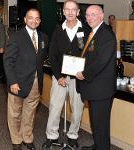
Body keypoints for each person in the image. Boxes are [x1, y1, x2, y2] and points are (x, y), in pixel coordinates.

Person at [42, 0, 90, 149]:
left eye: (73, 9)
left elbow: (90, 54)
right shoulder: (57, 30)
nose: (70, 12)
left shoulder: (86, 30)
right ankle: (51, 135)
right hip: (60, 77)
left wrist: (85, 71)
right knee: (55, 107)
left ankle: (73, 136)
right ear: (63, 12)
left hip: (79, 77)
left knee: (77, 109)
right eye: (67, 9)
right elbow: (53, 55)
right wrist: (58, 76)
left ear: (78, 12)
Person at [3, 8, 48, 150]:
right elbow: (8, 60)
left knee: (30, 113)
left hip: (36, 83)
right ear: (25, 19)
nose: (33, 20)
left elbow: (41, 59)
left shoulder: (44, 38)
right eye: (30, 17)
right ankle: (16, 140)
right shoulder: (16, 36)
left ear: (39, 21)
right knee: (15, 113)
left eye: (37, 18)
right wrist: (12, 81)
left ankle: (27, 138)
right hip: (18, 82)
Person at [76, 5, 116, 150]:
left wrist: (84, 74)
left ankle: (102, 147)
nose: (90, 18)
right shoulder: (93, 32)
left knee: (101, 125)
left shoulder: (106, 34)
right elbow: (88, 56)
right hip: (95, 88)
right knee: (97, 123)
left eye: (93, 14)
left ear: (101, 15)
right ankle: (98, 145)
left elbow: (101, 61)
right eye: (87, 15)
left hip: (101, 90)